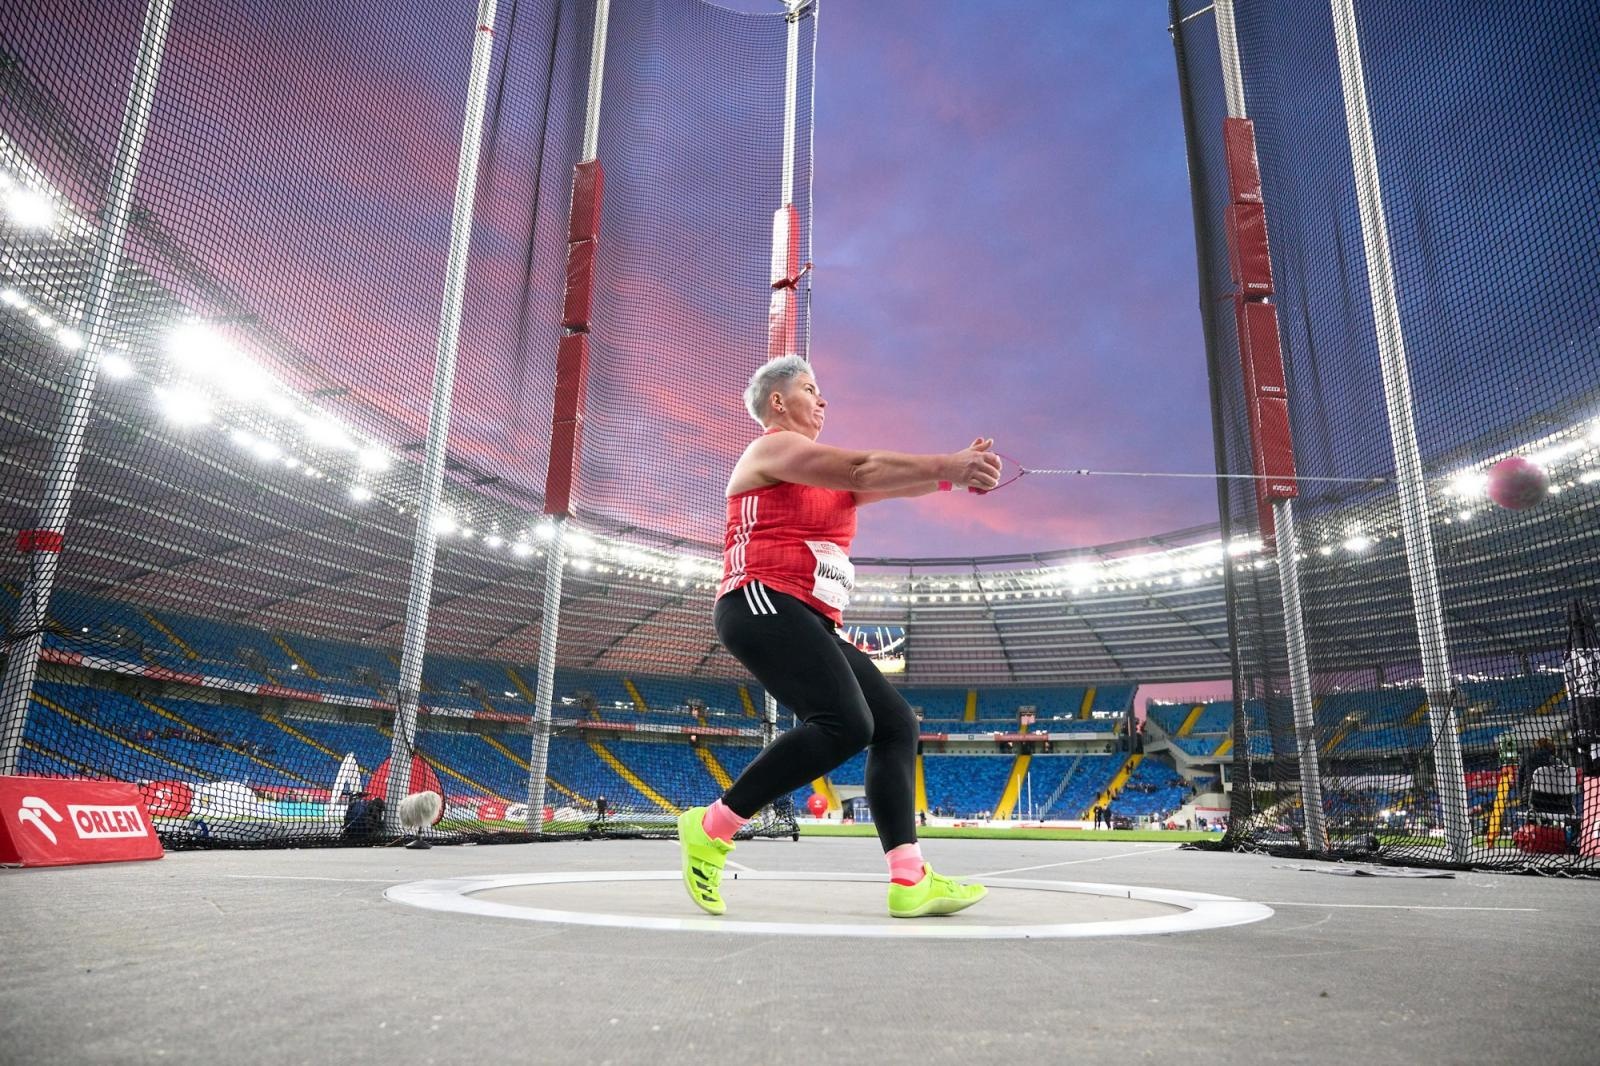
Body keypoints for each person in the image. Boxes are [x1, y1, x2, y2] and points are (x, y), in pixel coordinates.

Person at [677, 356, 1000, 918]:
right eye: (810, 390)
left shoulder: (826, 480)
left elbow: (884, 480)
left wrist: (952, 475)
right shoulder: (770, 449)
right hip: (760, 598)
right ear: (778, 402)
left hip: (808, 616)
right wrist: (951, 461)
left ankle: (909, 878)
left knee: (896, 724)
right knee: (846, 723)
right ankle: (711, 826)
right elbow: (863, 469)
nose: (823, 401)